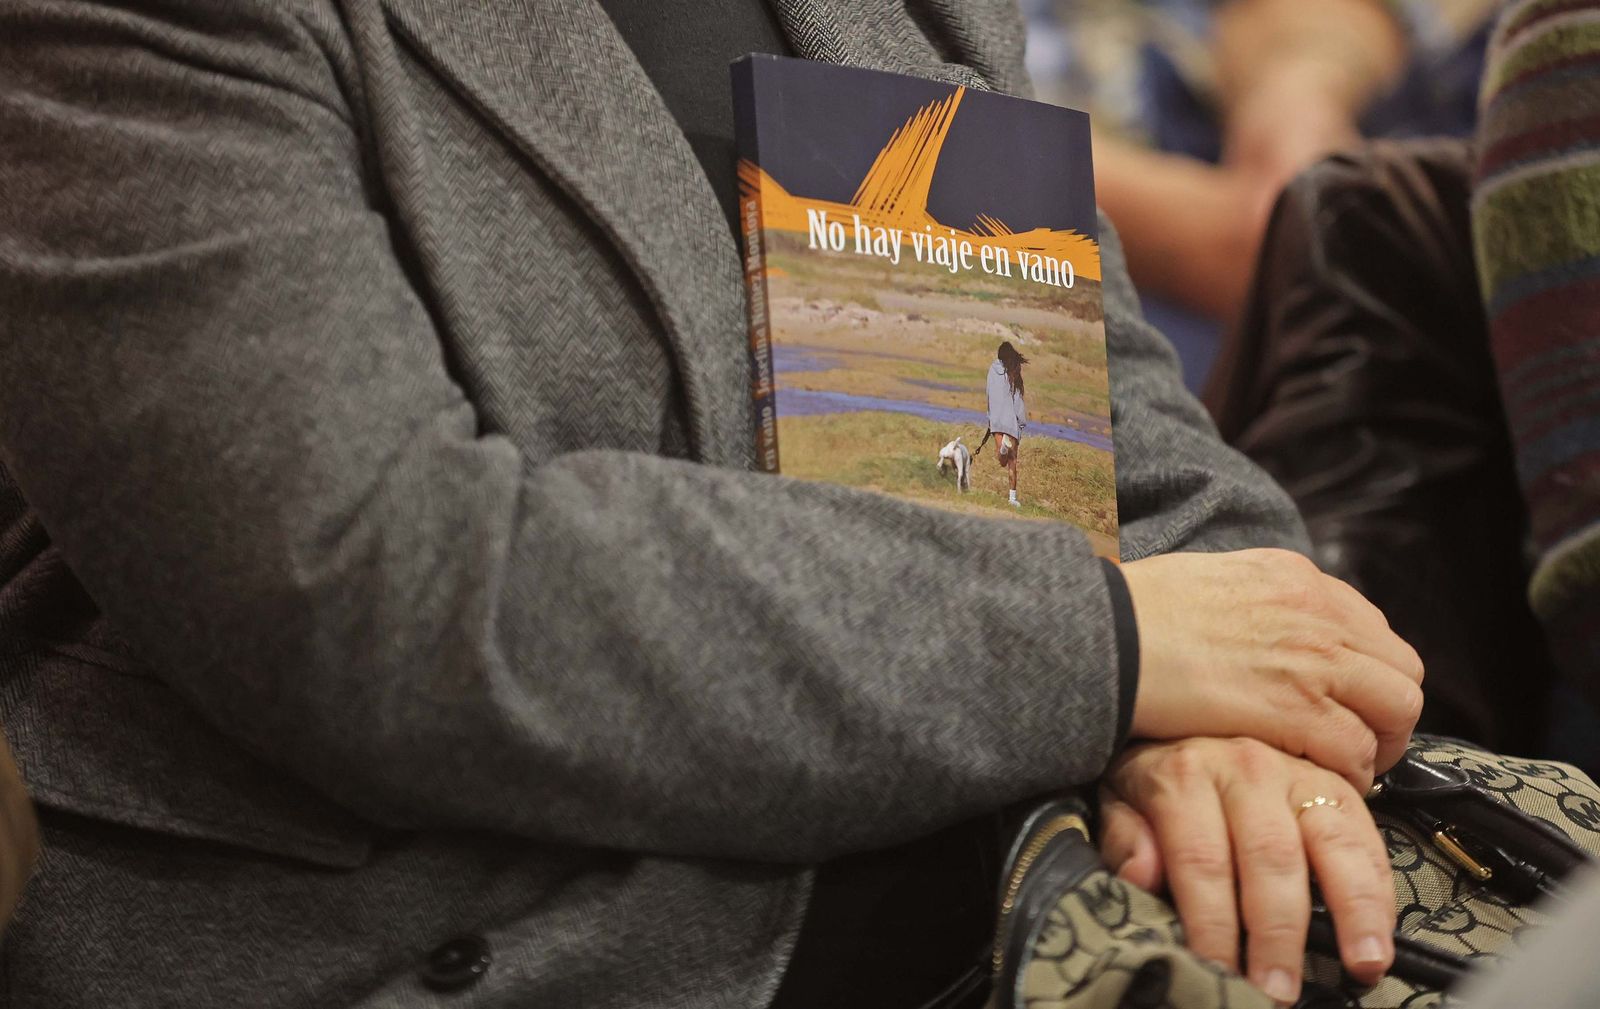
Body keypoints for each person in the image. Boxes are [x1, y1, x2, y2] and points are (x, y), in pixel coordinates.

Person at [0, 0, 1423, 1006]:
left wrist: (1223, 732)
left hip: (978, 868)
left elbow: (1135, 452)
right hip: (476, 930)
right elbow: (384, 593)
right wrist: (1105, 658)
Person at [986, 341, 1029, 508]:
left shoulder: (991, 370)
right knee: (1012, 461)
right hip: (1011, 421)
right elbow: (1018, 401)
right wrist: (1022, 422)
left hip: (996, 421)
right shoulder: (1014, 372)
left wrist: (990, 418)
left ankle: (1003, 447)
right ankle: (1012, 499)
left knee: (1001, 460)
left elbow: (988, 395)